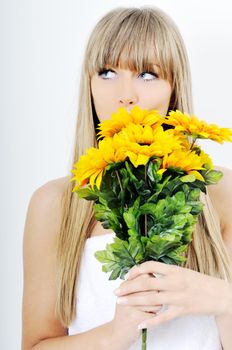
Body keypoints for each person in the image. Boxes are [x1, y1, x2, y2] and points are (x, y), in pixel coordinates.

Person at [22, 6, 232, 350]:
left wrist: (224, 300)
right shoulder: (54, 204)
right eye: (107, 72)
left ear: (174, 87)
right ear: (88, 84)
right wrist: (115, 334)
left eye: (147, 75)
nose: (125, 94)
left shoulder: (221, 193)